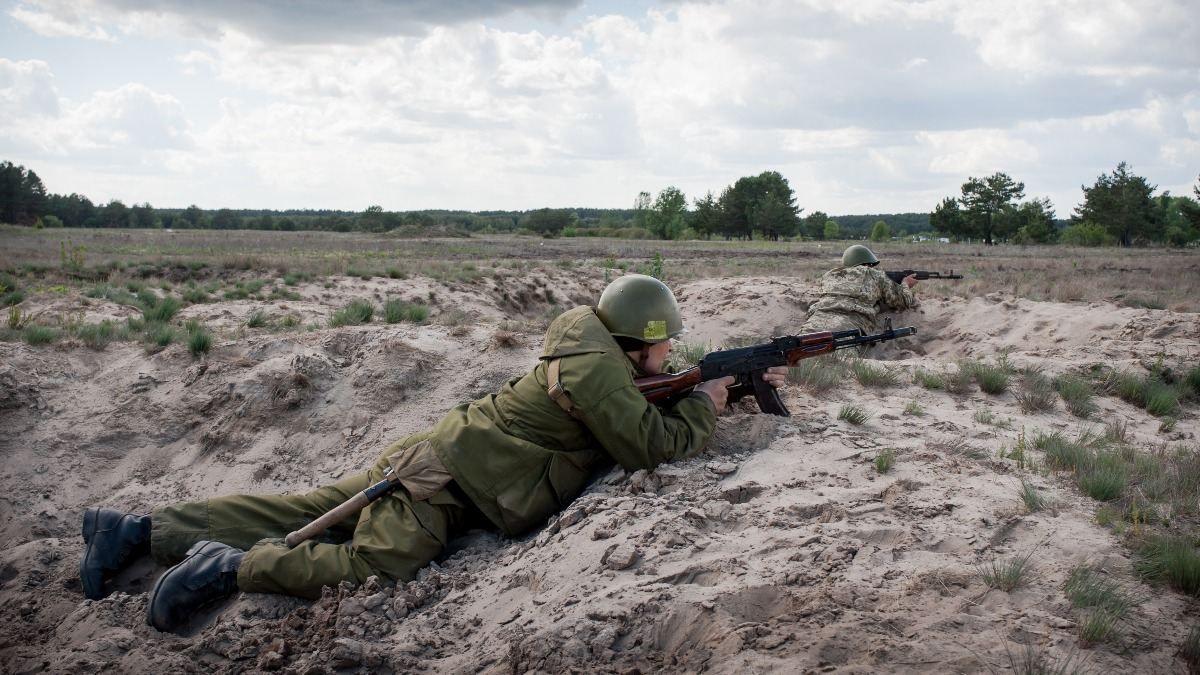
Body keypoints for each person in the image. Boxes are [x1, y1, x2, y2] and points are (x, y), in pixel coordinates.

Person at [79, 274, 789, 632]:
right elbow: (650, 446)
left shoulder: (592, 351)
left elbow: (634, 406)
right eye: (666, 346)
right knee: (376, 562)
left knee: (306, 507)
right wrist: (706, 401)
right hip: (444, 484)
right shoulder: (602, 374)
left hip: (443, 451)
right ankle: (231, 564)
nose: (672, 355)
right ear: (639, 343)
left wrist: (709, 388)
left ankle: (135, 530)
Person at [800, 244, 918, 338]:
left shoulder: (829, 275)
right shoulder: (875, 275)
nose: (871, 268)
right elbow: (903, 301)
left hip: (814, 321)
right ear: (866, 264)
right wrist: (906, 284)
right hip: (849, 327)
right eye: (871, 265)